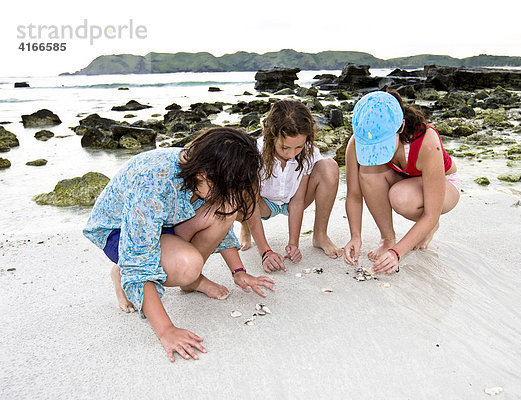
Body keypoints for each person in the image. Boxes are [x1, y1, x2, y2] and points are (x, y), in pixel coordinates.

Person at [83, 127, 275, 362]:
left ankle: (192, 282)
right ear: (204, 174)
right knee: (187, 264)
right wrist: (166, 330)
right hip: (119, 231)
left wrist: (239, 272)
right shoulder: (152, 185)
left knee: (225, 208)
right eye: (226, 187)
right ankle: (124, 272)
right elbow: (139, 260)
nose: (231, 192)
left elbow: (222, 222)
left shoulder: (202, 169)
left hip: (163, 222)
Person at [344, 90, 460, 274]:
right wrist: (355, 236)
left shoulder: (427, 142)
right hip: (403, 177)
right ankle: (387, 238)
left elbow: (431, 213)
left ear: (401, 126)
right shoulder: (361, 139)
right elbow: (354, 195)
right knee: (367, 172)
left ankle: (429, 227)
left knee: (401, 197)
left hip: (444, 185)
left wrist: (396, 253)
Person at [238, 99, 343, 272]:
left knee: (329, 166)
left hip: (293, 199)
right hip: (261, 203)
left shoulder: (307, 152)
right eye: (285, 147)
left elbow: (298, 200)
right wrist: (266, 252)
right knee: (238, 192)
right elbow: (250, 202)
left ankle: (320, 235)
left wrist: (293, 243)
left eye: (298, 147)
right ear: (272, 136)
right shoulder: (255, 152)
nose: (292, 154)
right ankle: (245, 224)